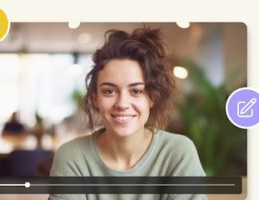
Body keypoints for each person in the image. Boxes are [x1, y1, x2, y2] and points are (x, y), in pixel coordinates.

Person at [49, 26, 206, 200]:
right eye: (109, 91)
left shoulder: (178, 153)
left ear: (152, 97)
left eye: (136, 91)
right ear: (95, 98)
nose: (122, 104)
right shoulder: (72, 158)